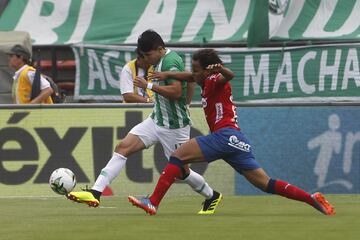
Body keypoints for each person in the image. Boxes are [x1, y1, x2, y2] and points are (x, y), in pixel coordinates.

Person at [128, 49, 336, 216]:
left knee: (177, 156)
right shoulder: (204, 78)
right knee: (266, 183)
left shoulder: (216, 79)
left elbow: (229, 75)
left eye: (197, 69)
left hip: (224, 136)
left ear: (208, 71)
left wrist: (222, 69)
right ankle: (312, 198)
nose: (194, 73)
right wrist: (168, 74)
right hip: (237, 140)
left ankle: (153, 202)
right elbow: (190, 76)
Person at [67, 31, 222, 215]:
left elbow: (176, 92)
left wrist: (148, 86)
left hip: (174, 126)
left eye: (148, 55)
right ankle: (95, 192)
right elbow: (190, 81)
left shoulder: (170, 61)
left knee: (182, 172)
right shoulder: (160, 61)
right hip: (156, 119)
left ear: (159, 49)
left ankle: (211, 195)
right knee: (123, 147)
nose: (146, 59)